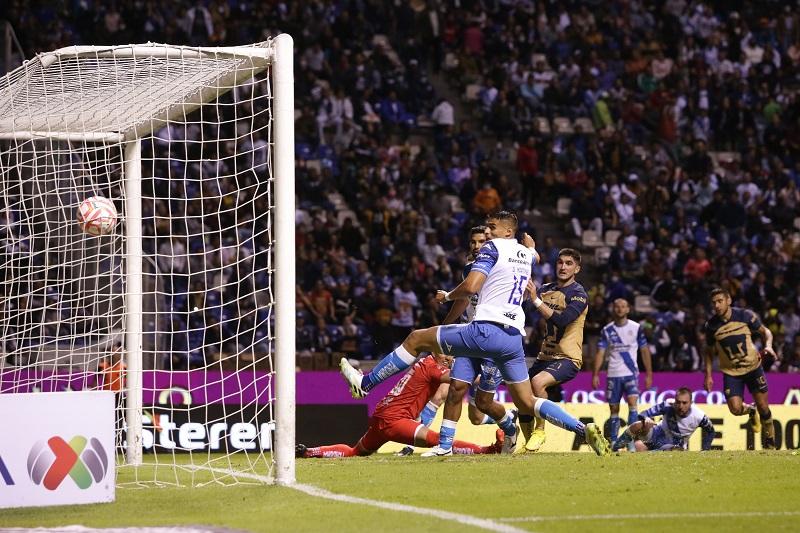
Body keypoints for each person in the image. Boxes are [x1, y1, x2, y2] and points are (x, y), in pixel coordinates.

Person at [340, 211, 610, 456]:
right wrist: (532, 247)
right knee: (524, 400)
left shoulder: (492, 248)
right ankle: (582, 430)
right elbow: (534, 256)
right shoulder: (525, 253)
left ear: (506, 231)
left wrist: (447, 296)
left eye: (493, 227)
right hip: (512, 338)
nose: (488, 232)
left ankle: (365, 384)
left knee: (415, 339)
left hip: (484, 330)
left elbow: (470, 287)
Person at [422, 225, 528, 456]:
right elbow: (465, 300)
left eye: (482, 241)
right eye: (473, 242)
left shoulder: (502, 263)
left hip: (495, 337)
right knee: (455, 389)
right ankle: (443, 446)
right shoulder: (472, 268)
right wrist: (445, 325)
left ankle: (509, 422)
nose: (477, 246)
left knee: (479, 411)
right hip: (472, 337)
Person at [296, 353, 505, 458]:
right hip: (394, 420)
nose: (450, 362)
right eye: (448, 357)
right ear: (438, 354)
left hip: (381, 417)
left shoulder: (425, 364)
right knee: (440, 441)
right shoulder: (433, 367)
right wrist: (492, 373)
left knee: (355, 452)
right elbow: (461, 380)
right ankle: (489, 450)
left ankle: (310, 452)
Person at [519, 248, 588, 453]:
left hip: (568, 358)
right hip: (544, 357)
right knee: (522, 396)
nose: (563, 267)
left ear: (577, 268)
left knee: (537, 382)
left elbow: (562, 320)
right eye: (560, 262)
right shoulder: (547, 288)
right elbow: (527, 304)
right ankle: (527, 442)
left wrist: (536, 299)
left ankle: (540, 432)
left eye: (568, 263)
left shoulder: (578, 294)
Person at [703, 287, 778, 449]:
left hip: (753, 368)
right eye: (714, 303)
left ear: (728, 300)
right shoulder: (711, 326)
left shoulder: (745, 315)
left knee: (764, 407)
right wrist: (708, 375)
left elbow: (766, 332)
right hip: (732, 373)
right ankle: (751, 411)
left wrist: (769, 346)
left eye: (720, 301)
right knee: (735, 409)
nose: (716, 305)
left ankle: (770, 444)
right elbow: (708, 352)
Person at [592, 298, 653, 446]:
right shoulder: (607, 330)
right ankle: (614, 442)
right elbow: (600, 352)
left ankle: (630, 441)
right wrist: (595, 374)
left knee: (633, 404)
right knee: (614, 408)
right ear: (613, 309)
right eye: (617, 306)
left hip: (631, 374)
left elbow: (645, 351)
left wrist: (649, 374)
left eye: (623, 306)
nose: (620, 309)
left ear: (628, 309)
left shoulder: (636, 328)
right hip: (613, 373)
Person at [612, 388, 715, 452]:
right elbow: (643, 413)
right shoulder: (668, 404)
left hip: (673, 446)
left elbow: (711, 431)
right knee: (638, 425)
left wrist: (705, 450)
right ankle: (614, 448)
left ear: (691, 402)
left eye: (684, 403)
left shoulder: (699, 416)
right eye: (678, 402)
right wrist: (646, 419)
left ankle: (647, 454)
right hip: (655, 435)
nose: (680, 406)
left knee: (675, 451)